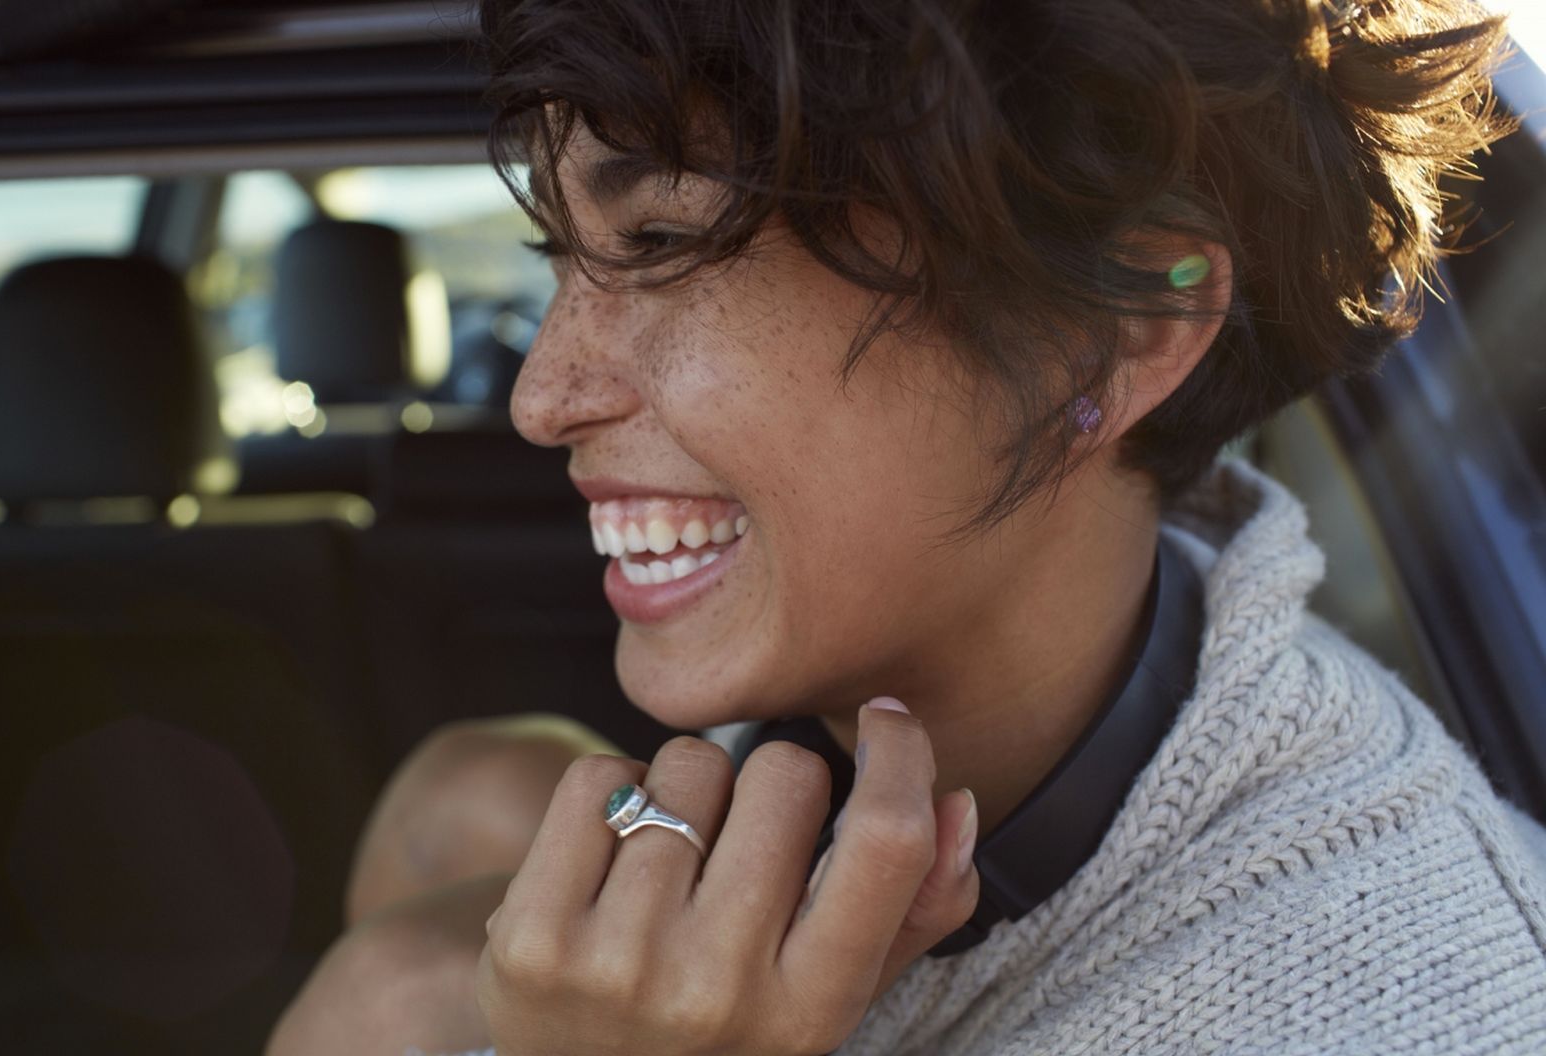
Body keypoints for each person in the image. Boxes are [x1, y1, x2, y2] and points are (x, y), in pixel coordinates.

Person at [268, 1, 1546, 1053]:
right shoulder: (994, 660)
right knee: (466, 793)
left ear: (1119, 330)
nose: (540, 398)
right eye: (560, 256)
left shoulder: (1420, 1011)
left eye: (660, 242)